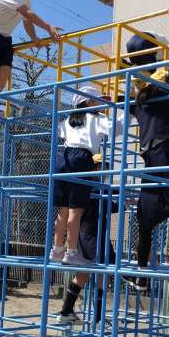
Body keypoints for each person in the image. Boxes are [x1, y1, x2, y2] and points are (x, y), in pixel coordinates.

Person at [124, 3, 169, 293]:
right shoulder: (141, 95)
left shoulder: (164, 84)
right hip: (154, 156)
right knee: (143, 216)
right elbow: (127, 99)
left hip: (167, 151)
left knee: (165, 200)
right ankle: (142, 274)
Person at [50, 85, 126, 267]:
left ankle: (57, 249)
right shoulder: (96, 118)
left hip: (63, 159)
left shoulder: (69, 120)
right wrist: (127, 112)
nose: (102, 105)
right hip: (81, 159)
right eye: (99, 101)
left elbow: (58, 130)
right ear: (89, 102)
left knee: (63, 210)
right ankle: (71, 252)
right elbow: (116, 129)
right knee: (76, 211)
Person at [57, 156, 117, 325]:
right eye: (101, 167)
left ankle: (67, 311)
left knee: (84, 274)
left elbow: (110, 203)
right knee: (106, 269)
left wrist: (122, 199)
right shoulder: (90, 187)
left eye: (106, 168)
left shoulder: (96, 187)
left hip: (90, 235)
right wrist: (122, 201)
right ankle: (95, 316)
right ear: (93, 168)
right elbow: (106, 205)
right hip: (90, 236)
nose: (104, 171)